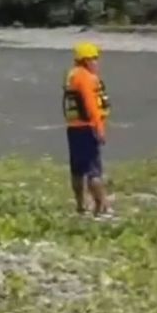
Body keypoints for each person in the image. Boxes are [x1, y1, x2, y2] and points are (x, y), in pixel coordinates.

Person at [63, 41, 112, 218]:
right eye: (94, 58)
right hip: (87, 128)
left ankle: (80, 206)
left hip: (73, 128)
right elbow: (91, 106)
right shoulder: (86, 78)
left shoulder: (72, 75)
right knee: (94, 170)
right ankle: (101, 207)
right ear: (85, 60)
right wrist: (99, 129)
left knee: (77, 169)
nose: (97, 62)